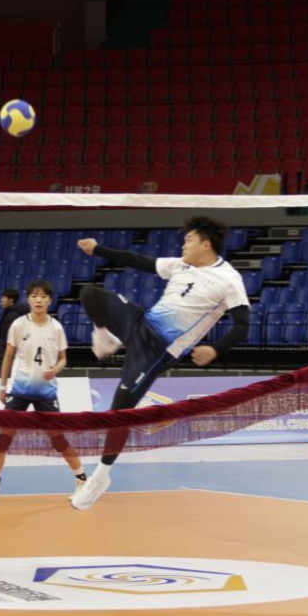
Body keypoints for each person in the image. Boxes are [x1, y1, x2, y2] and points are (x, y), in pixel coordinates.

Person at [70, 216, 251, 510]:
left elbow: (243, 324)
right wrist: (98, 249)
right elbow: (139, 261)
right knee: (90, 293)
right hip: (140, 322)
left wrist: (215, 350)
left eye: (188, 240)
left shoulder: (229, 280)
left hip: (158, 349)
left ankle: (101, 476)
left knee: (120, 411)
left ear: (206, 245)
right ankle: (106, 337)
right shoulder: (180, 265)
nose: (183, 245)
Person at [0, 280, 86, 503]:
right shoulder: (19, 325)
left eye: (43, 296)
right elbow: (8, 356)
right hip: (20, 389)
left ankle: (82, 481)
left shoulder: (56, 327)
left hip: (46, 391)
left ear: (50, 300)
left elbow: (63, 358)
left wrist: (56, 368)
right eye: (34, 296)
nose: (39, 300)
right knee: (4, 437)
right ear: (28, 299)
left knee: (58, 439)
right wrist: (2, 386)